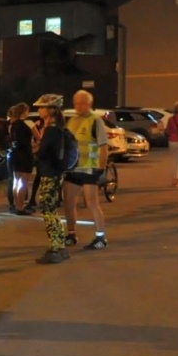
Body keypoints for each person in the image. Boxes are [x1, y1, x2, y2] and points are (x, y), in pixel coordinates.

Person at [62, 90, 109, 249]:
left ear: (89, 104)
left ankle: (101, 237)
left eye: (82, 103)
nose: (78, 106)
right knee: (68, 202)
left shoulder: (96, 121)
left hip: (90, 169)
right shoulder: (72, 121)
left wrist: (101, 170)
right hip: (74, 168)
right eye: (76, 103)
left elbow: (103, 147)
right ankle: (71, 234)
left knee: (92, 203)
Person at [31, 94, 70, 263]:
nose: (39, 110)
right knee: (51, 209)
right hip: (54, 173)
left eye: (41, 107)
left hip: (49, 174)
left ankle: (55, 247)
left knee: (47, 210)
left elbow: (43, 153)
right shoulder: (56, 128)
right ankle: (59, 244)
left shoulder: (52, 130)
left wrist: (36, 149)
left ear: (52, 110)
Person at [5, 102, 37, 213]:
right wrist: (35, 147)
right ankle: (20, 207)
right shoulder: (28, 123)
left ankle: (15, 204)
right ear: (24, 112)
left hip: (15, 154)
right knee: (24, 182)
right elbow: (38, 137)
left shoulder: (13, 125)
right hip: (25, 154)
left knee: (17, 181)